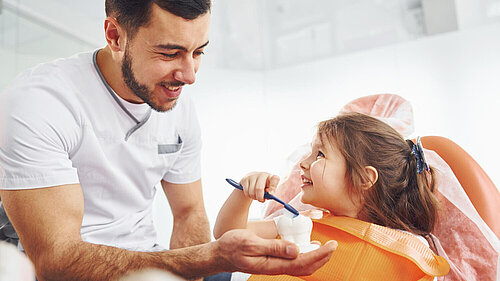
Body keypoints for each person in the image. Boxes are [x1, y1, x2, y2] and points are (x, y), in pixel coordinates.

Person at [0, 1, 337, 280]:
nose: (189, 75)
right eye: (170, 53)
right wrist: (204, 258)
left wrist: (201, 269)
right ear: (115, 36)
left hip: (151, 262)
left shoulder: (176, 104)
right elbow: (55, 260)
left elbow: (189, 213)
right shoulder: (41, 102)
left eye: (198, 52)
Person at [214, 112, 450, 280]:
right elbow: (228, 236)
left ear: (364, 179)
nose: (303, 163)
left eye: (320, 155)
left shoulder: (409, 252)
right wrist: (242, 195)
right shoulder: (304, 221)